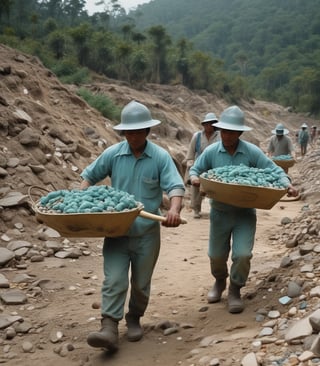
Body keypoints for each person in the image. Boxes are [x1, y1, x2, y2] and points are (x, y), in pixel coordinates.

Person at [80, 100, 185, 351]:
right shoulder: (113, 154)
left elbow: (176, 186)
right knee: (114, 279)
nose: (134, 136)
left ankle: (135, 316)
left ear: (148, 131)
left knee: (141, 283)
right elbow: (89, 176)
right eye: (129, 131)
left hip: (147, 234)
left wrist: (173, 209)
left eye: (139, 131)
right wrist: (78, 199)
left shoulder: (160, 156)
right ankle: (109, 326)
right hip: (116, 230)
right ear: (123, 132)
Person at [189, 105, 299, 314]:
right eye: (224, 131)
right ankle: (220, 281)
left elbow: (274, 170)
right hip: (220, 212)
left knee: (242, 254)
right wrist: (195, 178)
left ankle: (235, 289)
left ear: (240, 133)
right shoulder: (212, 151)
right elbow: (196, 168)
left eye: (232, 132)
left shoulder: (251, 152)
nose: (227, 136)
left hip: (244, 213)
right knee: (216, 255)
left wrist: (288, 184)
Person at [184, 112, 221, 218]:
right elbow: (190, 153)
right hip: (200, 164)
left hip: (214, 165)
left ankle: (216, 208)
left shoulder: (219, 136)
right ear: (204, 125)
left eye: (212, 123)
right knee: (196, 187)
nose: (209, 126)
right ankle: (196, 209)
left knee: (216, 187)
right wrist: (190, 165)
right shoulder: (197, 136)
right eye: (207, 123)